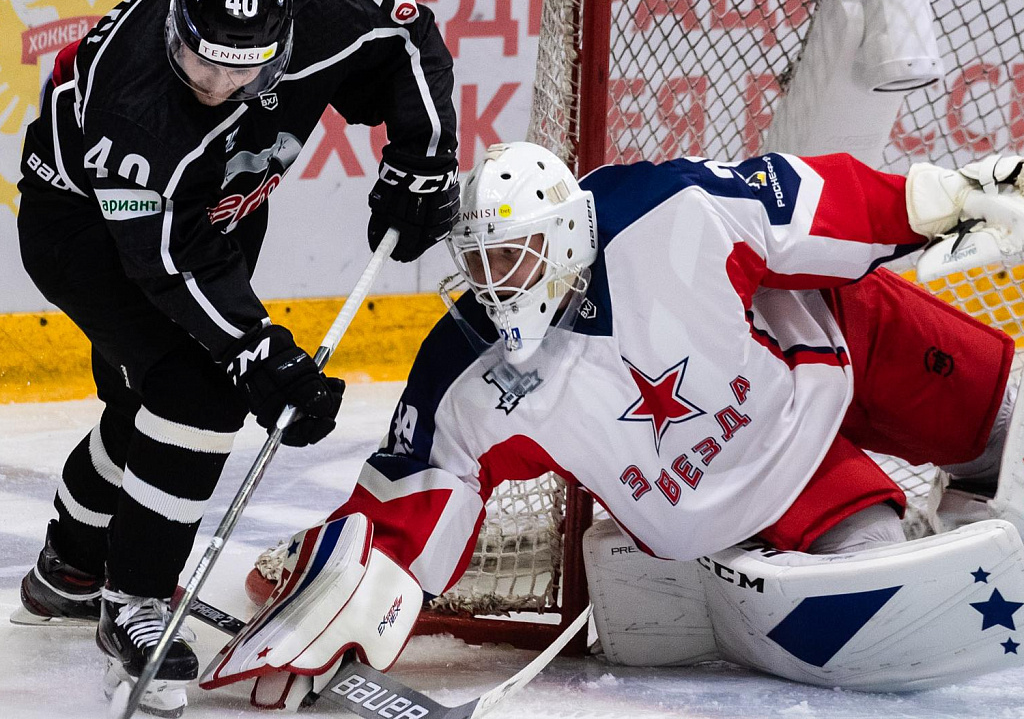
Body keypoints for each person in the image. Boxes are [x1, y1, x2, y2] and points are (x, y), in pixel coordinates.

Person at [204, 141, 1024, 705]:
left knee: (1006, 419)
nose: (495, 283)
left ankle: (977, 483)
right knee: (876, 553)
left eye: (512, 255)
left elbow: (796, 199)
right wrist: (350, 595)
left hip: (839, 328)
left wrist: (943, 197)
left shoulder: (661, 210)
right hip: (769, 464)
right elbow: (415, 492)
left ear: (562, 237)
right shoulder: (468, 368)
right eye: (479, 261)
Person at [13, 0, 457, 714]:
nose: (219, 85)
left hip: (214, 206)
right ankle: (134, 601)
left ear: (282, 43)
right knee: (198, 392)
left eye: (242, 70)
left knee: (143, 404)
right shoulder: (138, 107)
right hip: (84, 229)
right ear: (176, 32)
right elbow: (168, 263)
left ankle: (71, 568)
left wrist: (424, 160)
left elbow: (406, 33)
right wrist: (258, 352)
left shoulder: (325, 6)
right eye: (201, 64)